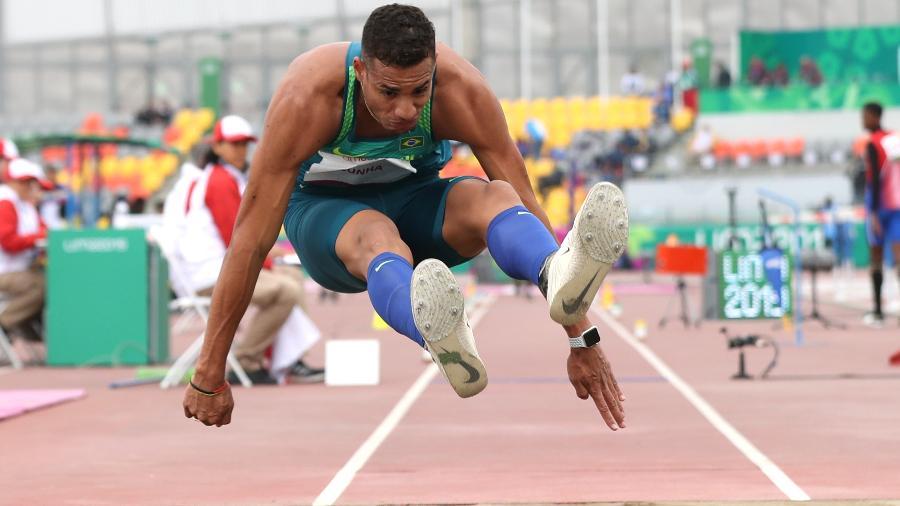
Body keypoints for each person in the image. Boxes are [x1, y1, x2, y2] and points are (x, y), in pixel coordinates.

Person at [183, 4, 628, 430]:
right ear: (360, 73)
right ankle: (433, 327)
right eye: (389, 92)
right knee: (379, 234)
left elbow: (525, 201)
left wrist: (579, 335)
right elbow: (249, 240)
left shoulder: (460, 91)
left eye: (420, 91)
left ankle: (550, 267)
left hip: (416, 201)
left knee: (497, 196)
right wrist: (210, 369)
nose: (405, 110)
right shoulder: (309, 98)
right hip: (327, 218)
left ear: (434, 70)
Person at [178, 115, 323, 383]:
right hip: (211, 274)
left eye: (244, 144)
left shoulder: (226, 176)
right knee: (286, 289)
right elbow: (235, 238)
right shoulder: (219, 181)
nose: (240, 150)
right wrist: (266, 263)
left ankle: (289, 359)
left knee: (290, 279)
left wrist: (269, 260)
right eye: (234, 144)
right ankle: (247, 360)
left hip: (218, 268)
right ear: (217, 146)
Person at [0, 159, 53, 342]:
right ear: (18, 182)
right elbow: (8, 242)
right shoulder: (6, 201)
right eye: (31, 184)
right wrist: (38, 237)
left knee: (53, 281)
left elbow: (46, 232)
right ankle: (5, 323)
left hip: (19, 269)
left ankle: (33, 337)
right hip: (5, 272)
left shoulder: (25, 205)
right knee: (42, 285)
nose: (35, 190)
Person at [860, 102, 900, 327]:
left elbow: (874, 178)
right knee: (899, 259)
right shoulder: (895, 139)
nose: (862, 121)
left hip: (880, 206)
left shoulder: (873, 144)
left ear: (875, 116)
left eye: (865, 116)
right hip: (898, 205)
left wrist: (874, 212)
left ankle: (877, 312)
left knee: (876, 258)